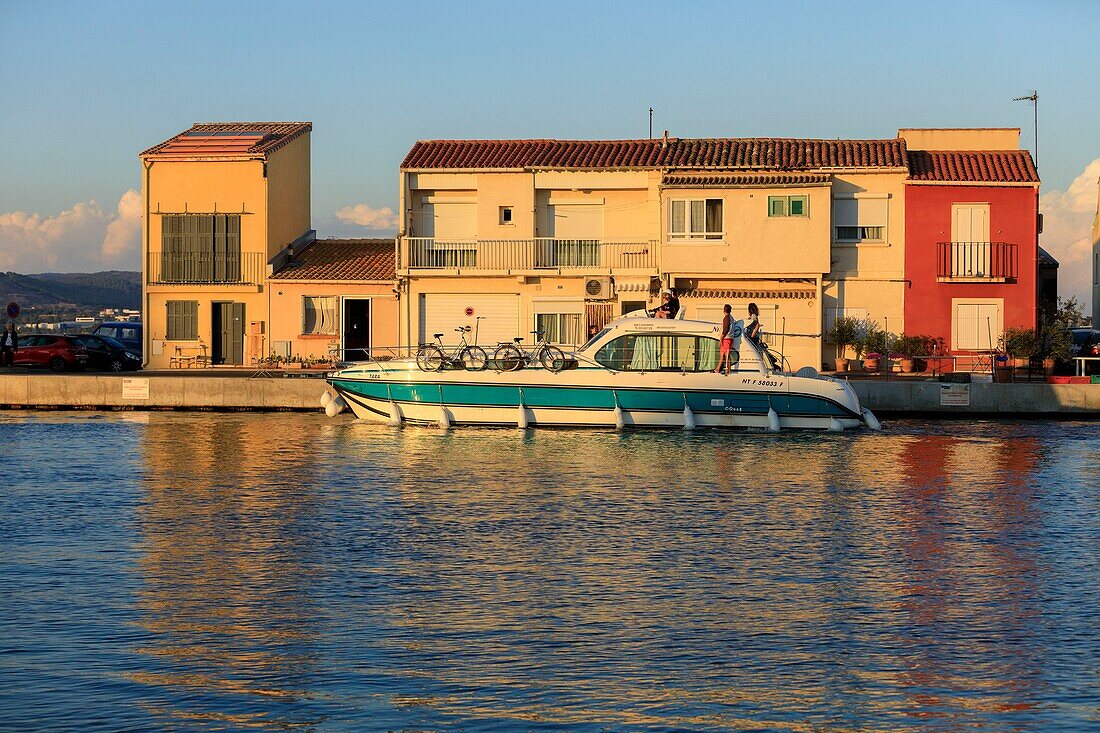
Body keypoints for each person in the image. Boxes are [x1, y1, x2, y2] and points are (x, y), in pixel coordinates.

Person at [714, 304, 736, 375]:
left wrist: (721, 338)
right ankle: (718, 368)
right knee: (723, 354)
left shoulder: (726, 318)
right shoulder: (731, 318)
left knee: (726, 355)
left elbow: (725, 329)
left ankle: (727, 370)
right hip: (730, 338)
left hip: (726, 338)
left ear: (724, 310)